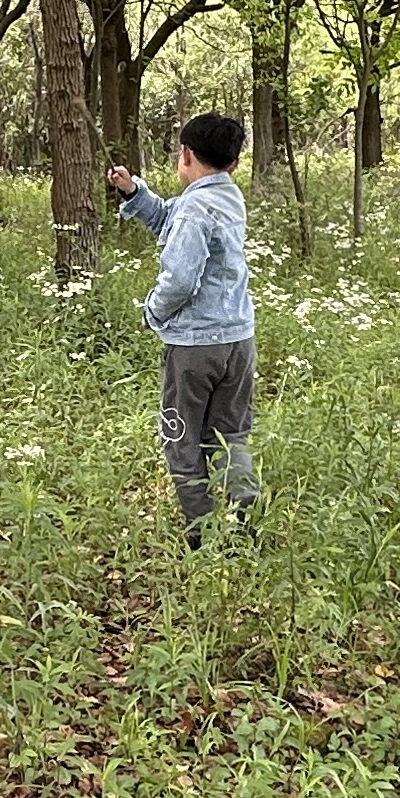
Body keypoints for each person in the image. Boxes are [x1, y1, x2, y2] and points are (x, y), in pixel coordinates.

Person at [107, 113, 259, 543]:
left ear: (186, 154)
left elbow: (179, 280)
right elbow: (168, 217)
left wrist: (153, 312)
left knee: (181, 439)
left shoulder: (194, 209)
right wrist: (134, 192)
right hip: (238, 342)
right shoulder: (228, 197)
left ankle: (201, 533)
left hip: (195, 347)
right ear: (233, 163)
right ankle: (243, 527)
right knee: (230, 436)